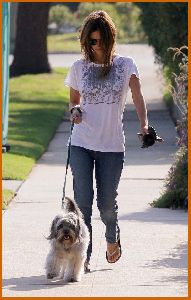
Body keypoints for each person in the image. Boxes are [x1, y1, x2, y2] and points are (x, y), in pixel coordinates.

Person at [64, 10, 149, 271]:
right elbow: (74, 101)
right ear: (85, 41)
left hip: (111, 146)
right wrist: (74, 111)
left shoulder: (126, 65)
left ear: (111, 39)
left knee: (107, 204)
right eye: (91, 41)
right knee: (83, 203)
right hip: (81, 143)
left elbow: (137, 96)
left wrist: (145, 125)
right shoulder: (79, 67)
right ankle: (85, 256)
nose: (96, 46)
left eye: (101, 40)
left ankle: (112, 238)